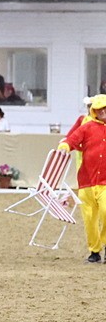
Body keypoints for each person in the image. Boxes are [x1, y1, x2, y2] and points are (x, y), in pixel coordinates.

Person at [58, 95, 106, 262]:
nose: (103, 112)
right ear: (95, 111)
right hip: (86, 181)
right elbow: (71, 139)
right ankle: (95, 251)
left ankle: (104, 243)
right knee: (89, 218)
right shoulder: (86, 126)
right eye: (100, 109)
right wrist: (64, 146)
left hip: (105, 183)